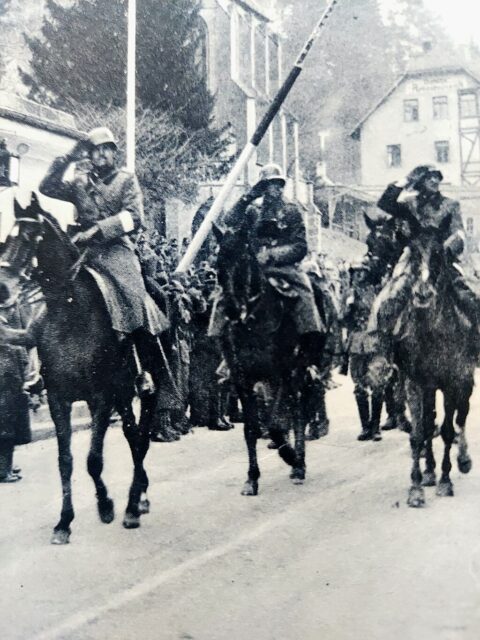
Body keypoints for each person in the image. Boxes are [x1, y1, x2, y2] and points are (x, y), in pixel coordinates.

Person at [39, 127, 168, 393]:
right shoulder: (80, 181)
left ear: (113, 152)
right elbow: (47, 187)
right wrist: (68, 158)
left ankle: (142, 367)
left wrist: (99, 229)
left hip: (115, 250)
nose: (100, 155)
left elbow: (134, 217)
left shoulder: (126, 180)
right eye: (94, 150)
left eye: (105, 149)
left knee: (133, 295)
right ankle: (46, 363)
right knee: (54, 288)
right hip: (82, 251)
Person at [210, 163, 324, 364]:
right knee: (223, 296)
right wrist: (247, 197)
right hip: (253, 268)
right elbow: (229, 222)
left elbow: (300, 246)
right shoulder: (252, 210)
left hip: (283, 267)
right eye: (270, 185)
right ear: (262, 187)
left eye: (279, 184)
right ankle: (222, 353)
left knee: (306, 290)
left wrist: (273, 254)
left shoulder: (291, 211)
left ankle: (311, 352)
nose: (276, 189)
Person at [369, 164, 479, 337]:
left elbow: (459, 232)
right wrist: (406, 179)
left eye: (437, 177)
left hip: (442, 259)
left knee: (468, 297)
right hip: (413, 258)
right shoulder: (408, 203)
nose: (435, 180)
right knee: (389, 300)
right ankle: (383, 352)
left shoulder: (450, 205)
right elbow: (385, 202)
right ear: (419, 181)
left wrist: (448, 247)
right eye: (429, 177)